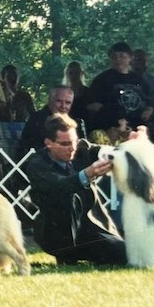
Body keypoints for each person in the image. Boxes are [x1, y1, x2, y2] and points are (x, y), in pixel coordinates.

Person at [24, 113, 127, 265]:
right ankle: (66, 255)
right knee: (67, 196)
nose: (72, 148)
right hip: (54, 232)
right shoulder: (37, 163)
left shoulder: (82, 148)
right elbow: (60, 185)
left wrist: (128, 145)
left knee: (123, 254)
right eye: (65, 144)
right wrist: (86, 174)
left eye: (73, 142)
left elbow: (104, 151)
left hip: (90, 227)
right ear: (49, 143)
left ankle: (87, 252)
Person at [87, 42, 151, 130]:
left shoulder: (140, 80)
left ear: (130, 58)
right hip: (111, 129)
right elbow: (91, 104)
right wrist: (109, 112)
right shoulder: (101, 79)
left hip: (136, 129)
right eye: (114, 57)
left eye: (121, 56)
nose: (118, 59)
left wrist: (148, 111)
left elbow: (150, 102)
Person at [17, 85, 74, 156]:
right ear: (50, 100)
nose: (63, 106)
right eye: (59, 101)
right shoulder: (38, 120)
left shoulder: (73, 121)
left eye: (68, 103)